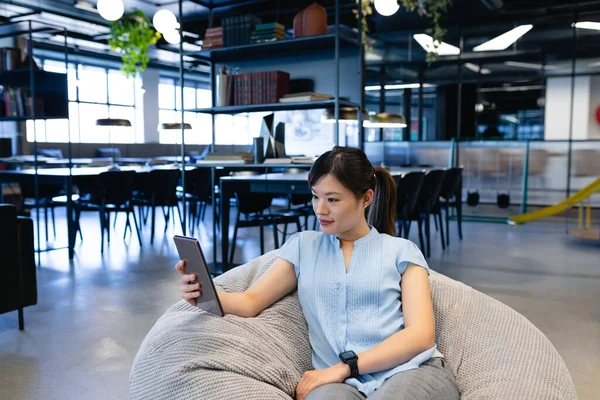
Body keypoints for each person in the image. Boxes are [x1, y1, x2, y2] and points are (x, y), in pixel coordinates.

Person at [175, 146, 459, 400]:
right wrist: (205, 292)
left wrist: (344, 367)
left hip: (409, 370)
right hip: (338, 383)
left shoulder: (402, 251)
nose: (320, 210)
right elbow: (251, 302)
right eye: (315, 197)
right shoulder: (303, 247)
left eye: (333, 200)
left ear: (366, 198)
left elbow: (421, 335)